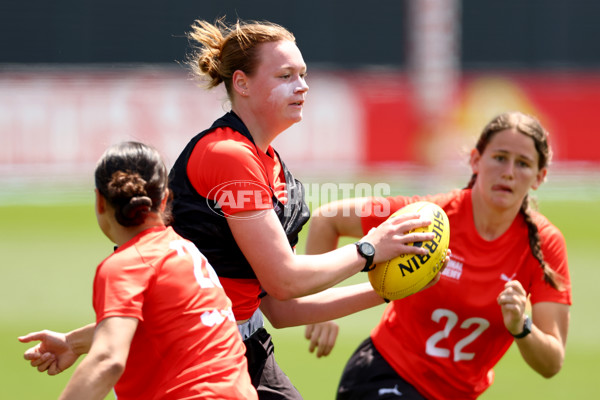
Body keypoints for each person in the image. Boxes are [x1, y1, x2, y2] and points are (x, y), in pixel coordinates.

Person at [165, 18, 442, 399]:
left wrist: (391, 289)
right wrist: (369, 249)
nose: (303, 85)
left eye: (303, 74)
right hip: (190, 350)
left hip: (241, 344)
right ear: (241, 84)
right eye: (285, 75)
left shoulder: (274, 167)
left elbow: (281, 308)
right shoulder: (228, 154)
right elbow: (284, 278)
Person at [305, 111, 572, 399]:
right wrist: (319, 309)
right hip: (386, 374)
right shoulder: (430, 217)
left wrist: (522, 327)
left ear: (539, 176)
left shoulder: (545, 244)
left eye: (522, 164)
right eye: (499, 157)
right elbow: (327, 218)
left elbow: (552, 362)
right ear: (475, 160)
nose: (508, 171)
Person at [18, 142, 258, 400]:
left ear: (100, 201)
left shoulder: (126, 264)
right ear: (165, 199)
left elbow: (108, 361)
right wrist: (73, 343)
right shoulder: (187, 252)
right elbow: (156, 323)